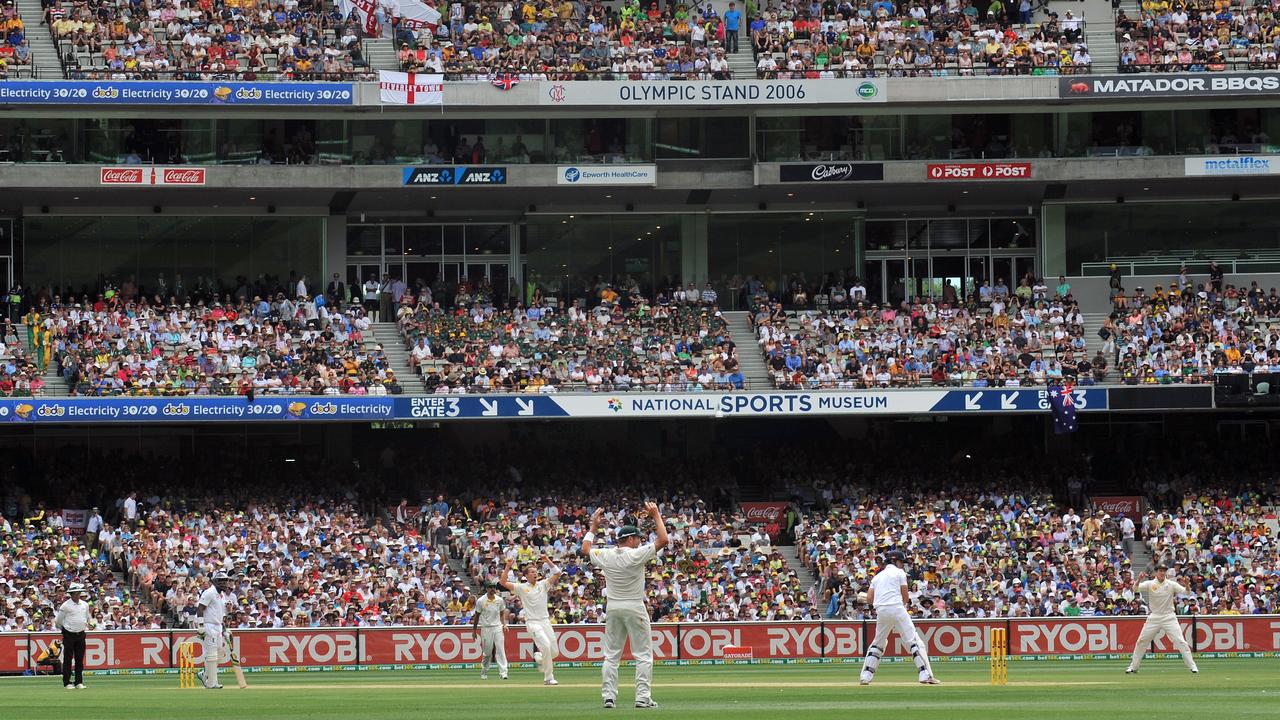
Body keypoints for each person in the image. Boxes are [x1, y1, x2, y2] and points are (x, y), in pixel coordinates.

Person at [582, 502, 668, 709]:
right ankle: (642, 697)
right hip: (634, 606)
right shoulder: (635, 554)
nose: (639, 542)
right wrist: (656, 515)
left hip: (613, 608)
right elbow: (664, 539)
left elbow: (585, 548)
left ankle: (609, 697)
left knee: (611, 656)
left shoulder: (607, 555)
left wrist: (593, 526)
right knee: (643, 655)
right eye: (637, 538)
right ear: (630, 539)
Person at [858, 550, 940, 685]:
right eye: (901, 562)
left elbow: (869, 599)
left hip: (881, 611)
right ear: (894, 561)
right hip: (896, 607)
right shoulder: (900, 573)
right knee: (914, 641)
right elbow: (906, 597)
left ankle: (865, 676)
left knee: (878, 642)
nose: (902, 565)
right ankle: (925, 675)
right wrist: (899, 606)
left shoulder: (877, 577)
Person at [500, 554, 563, 685]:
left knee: (554, 652)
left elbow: (557, 573)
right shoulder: (522, 588)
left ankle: (540, 658)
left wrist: (547, 561)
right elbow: (503, 582)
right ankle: (548, 678)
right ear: (526, 575)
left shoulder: (543, 584)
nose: (535, 573)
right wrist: (507, 567)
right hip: (533, 623)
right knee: (545, 645)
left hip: (545, 621)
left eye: (536, 571)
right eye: (532, 572)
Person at [1126, 565, 1198, 674]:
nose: (1162, 573)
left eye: (1164, 571)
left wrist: (1187, 584)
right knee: (1142, 641)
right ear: (1156, 572)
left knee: (1180, 641)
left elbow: (1186, 592)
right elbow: (1135, 589)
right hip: (1154, 616)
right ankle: (1133, 667)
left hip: (1169, 617)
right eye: (1160, 571)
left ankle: (1193, 666)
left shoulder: (1171, 584)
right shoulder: (1150, 584)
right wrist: (1139, 579)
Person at [196, 571, 234, 689]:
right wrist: (201, 626)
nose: (224, 583)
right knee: (211, 654)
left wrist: (224, 629)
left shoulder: (221, 595)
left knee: (219, 654)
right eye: (221, 581)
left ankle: (205, 674)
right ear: (215, 582)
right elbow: (200, 609)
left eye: (225, 581)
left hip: (217, 626)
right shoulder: (209, 592)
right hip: (209, 625)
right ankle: (212, 683)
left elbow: (219, 614)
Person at [54, 583, 92, 689]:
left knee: (79, 659)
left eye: (79, 593)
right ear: (71, 594)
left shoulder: (85, 604)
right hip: (69, 634)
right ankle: (67, 682)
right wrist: (66, 630)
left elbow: (86, 618)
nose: (77, 595)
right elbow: (58, 622)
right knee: (68, 658)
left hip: (81, 633)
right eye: (75, 593)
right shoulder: (65, 605)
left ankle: (78, 681)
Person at [472, 582, 509, 680]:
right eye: (490, 587)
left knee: (500, 649)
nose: (492, 589)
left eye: (494, 587)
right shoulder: (481, 601)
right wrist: (474, 630)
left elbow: (502, 613)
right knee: (487, 652)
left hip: (497, 627)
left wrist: (504, 624)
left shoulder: (499, 600)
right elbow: (477, 616)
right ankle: (484, 671)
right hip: (486, 627)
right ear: (486, 589)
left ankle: (503, 672)